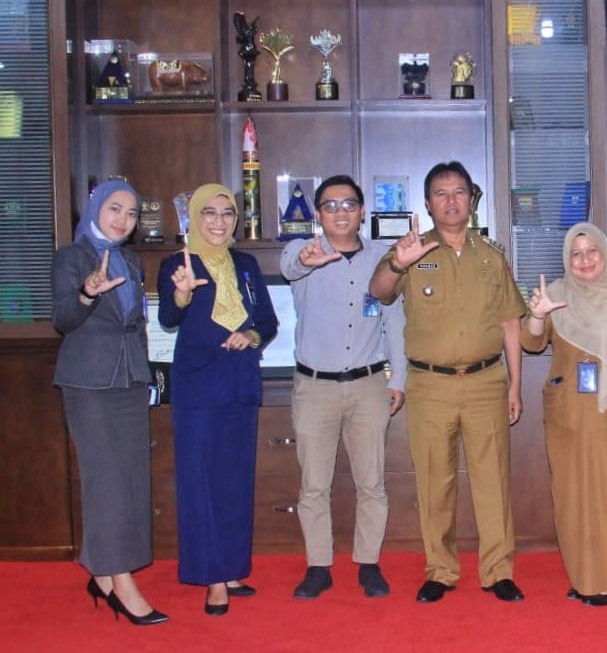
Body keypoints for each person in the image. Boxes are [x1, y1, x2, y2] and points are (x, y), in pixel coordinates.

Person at [369, 161, 527, 604]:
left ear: (472, 200)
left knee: (493, 481)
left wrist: (515, 386)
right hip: (430, 386)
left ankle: (498, 571)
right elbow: (379, 290)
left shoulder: (492, 257)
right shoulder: (411, 250)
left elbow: (510, 323)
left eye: (459, 192)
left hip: (486, 382)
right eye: (441, 193)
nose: (451, 200)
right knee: (434, 482)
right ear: (427, 204)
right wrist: (397, 264)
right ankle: (440, 570)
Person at [280, 175, 407, 600]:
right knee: (314, 484)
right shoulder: (304, 252)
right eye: (330, 205)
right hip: (315, 386)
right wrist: (308, 259)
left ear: (362, 211)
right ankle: (318, 566)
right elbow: (290, 266)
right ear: (318, 214)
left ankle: (368, 563)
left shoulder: (381, 258)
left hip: (369, 384)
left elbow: (394, 323)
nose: (340, 212)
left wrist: (399, 379)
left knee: (372, 482)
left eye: (348, 204)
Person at [522, 222, 607, 607]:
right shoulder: (554, 296)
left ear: (604, 254)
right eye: (576, 254)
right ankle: (584, 575)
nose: (584, 260)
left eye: (591, 251)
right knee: (572, 499)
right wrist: (537, 316)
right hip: (568, 415)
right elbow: (531, 343)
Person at [157, 183, 278, 616]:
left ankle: (231, 568)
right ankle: (211, 577)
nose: (219, 221)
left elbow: (268, 320)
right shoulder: (177, 263)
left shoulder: (245, 264)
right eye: (209, 212)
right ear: (194, 217)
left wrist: (251, 335)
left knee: (234, 481)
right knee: (200, 483)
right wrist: (182, 293)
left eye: (227, 213)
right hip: (198, 388)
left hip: (239, 384)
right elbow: (168, 317)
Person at [52, 179, 168, 626]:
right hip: (90, 383)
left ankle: (103, 573)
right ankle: (121, 582)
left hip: (130, 380)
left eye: (132, 213)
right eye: (115, 208)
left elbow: (137, 324)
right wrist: (87, 292)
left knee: (132, 482)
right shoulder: (72, 257)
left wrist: (149, 376)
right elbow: (64, 318)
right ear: (96, 208)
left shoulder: (132, 261)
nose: (123, 220)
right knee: (107, 485)